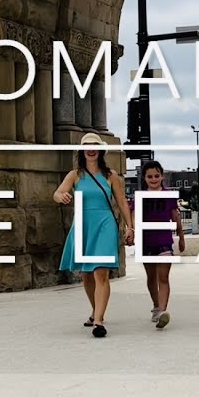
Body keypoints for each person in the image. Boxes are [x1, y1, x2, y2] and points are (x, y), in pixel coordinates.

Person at [54, 132, 133, 338]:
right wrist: (61, 195)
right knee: (86, 274)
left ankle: (98, 321)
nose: (90, 149)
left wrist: (129, 227)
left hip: (105, 223)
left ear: (100, 150)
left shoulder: (111, 176)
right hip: (83, 224)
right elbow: (57, 193)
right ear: (82, 150)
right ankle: (95, 310)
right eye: (87, 146)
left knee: (100, 272)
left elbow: (122, 202)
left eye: (94, 146)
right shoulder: (74, 175)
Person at [137, 159, 185, 329]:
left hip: (164, 241)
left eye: (157, 175)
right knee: (151, 277)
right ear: (144, 178)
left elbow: (175, 216)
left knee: (163, 277)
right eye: (150, 176)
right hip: (146, 242)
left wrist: (181, 236)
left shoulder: (169, 195)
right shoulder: (140, 197)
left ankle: (163, 311)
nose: (153, 179)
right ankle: (156, 307)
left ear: (162, 176)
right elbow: (135, 217)